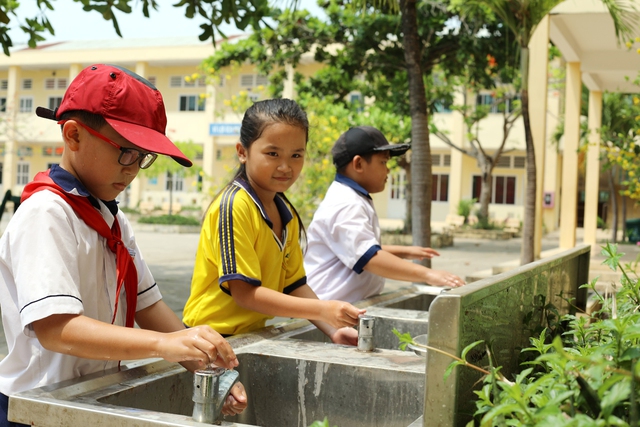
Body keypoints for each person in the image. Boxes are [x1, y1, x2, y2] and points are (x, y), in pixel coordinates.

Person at [0, 64, 246, 427]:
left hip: (86, 398)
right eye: (125, 152)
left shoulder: (111, 218)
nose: (132, 169)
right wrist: (163, 345)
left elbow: (149, 306)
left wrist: (200, 361)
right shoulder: (47, 213)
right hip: (37, 408)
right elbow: (56, 329)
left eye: (143, 157)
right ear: (73, 135)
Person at [182, 99, 366, 345]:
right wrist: (323, 310)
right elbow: (245, 295)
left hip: (249, 337)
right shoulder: (235, 206)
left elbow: (293, 284)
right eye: (272, 153)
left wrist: (332, 330)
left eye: (296, 155)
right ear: (242, 152)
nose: (285, 166)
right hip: (208, 341)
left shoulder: (285, 210)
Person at [304, 126, 466, 303]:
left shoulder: (353, 197)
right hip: (323, 316)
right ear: (358, 164)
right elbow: (370, 258)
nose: (388, 170)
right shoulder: (345, 204)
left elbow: (357, 248)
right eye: (383, 162)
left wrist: (403, 251)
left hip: (340, 310)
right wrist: (429, 274)